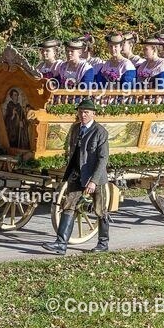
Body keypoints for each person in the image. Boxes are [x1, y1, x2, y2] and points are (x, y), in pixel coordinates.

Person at [42, 99, 110, 254]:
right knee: (68, 205)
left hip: (95, 178)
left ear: (94, 113)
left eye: (86, 112)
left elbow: (103, 158)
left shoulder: (100, 132)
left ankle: (103, 243)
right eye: (80, 111)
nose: (83, 115)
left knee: (100, 210)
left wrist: (93, 181)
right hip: (76, 174)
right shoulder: (74, 129)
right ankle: (61, 244)